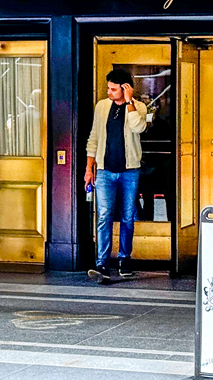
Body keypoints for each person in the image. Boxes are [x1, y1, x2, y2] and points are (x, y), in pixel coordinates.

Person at [85, 68, 148, 280]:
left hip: (130, 171)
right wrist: (89, 168)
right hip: (104, 170)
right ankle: (102, 263)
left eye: (114, 89)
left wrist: (129, 102)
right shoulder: (102, 106)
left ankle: (124, 258)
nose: (109, 92)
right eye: (108, 88)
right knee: (104, 216)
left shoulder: (138, 107)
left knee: (127, 216)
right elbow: (94, 137)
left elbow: (138, 127)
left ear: (125, 88)